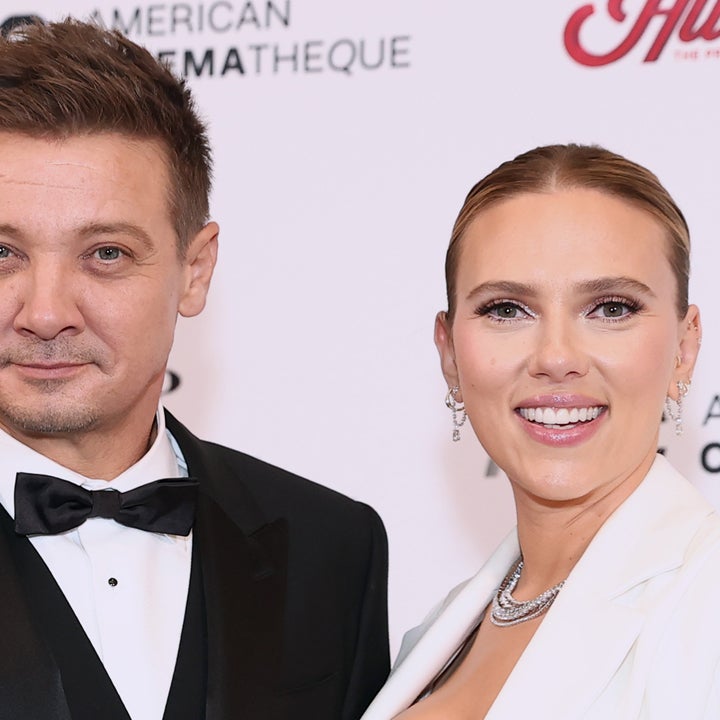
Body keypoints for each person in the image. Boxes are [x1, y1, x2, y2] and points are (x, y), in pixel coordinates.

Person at [0, 18, 389, 720]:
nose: (46, 313)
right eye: (3, 253)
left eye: (106, 253)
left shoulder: (331, 548)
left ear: (195, 270)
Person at [361, 144, 720, 719]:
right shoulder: (438, 633)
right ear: (449, 355)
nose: (556, 357)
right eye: (506, 309)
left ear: (685, 348)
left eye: (611, 308)